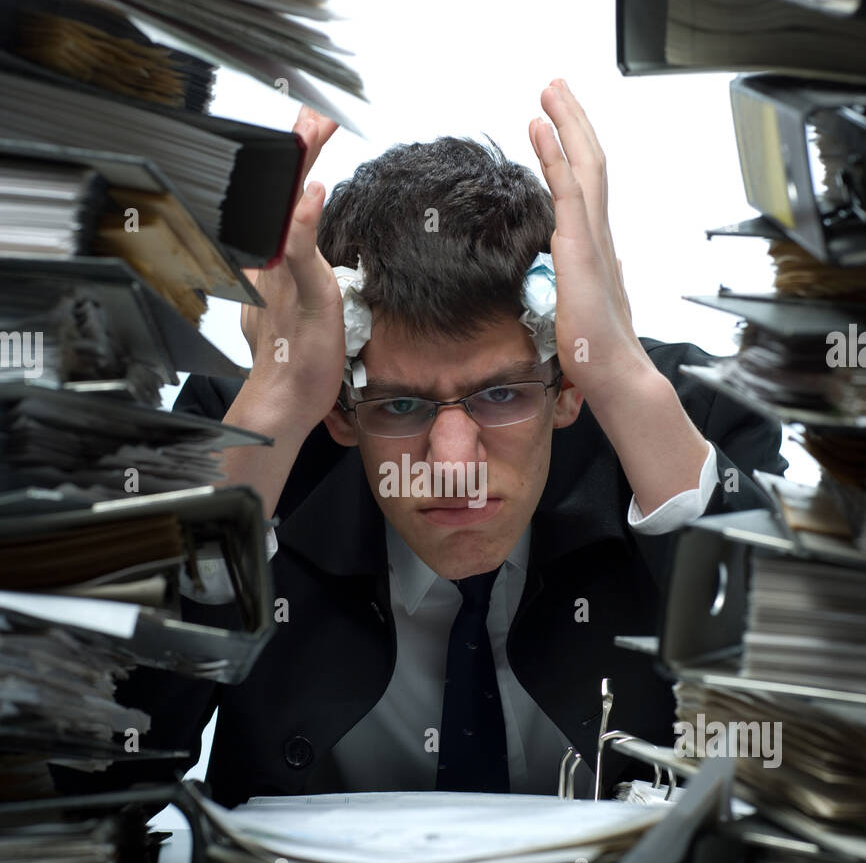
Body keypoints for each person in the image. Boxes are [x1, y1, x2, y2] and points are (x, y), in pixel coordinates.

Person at [110, 79, 785, 807]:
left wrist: (620, 375)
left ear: (566, 391)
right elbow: (103, 767)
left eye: (501, 395)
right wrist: (274, 406)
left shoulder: (680, 419)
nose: (454, 464)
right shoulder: (258, 434)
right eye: (400, 405)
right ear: (339, 408)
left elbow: (803, 737)